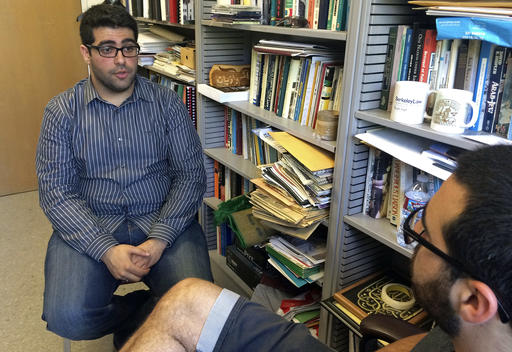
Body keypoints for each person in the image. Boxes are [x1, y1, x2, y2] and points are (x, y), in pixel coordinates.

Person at [120, 145, 512, 352]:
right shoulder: (482, 328)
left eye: (423, 235)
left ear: (475, 302)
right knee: (186, 299)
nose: (412, 239)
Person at [36, 3, 212, 349]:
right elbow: (56, 193)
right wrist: (105, 249)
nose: (121, 60)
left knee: (200, 312)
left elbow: (190, 175)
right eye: (107, 49)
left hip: (162, 219)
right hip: (93, 221)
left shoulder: (167, 103)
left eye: (129, 48)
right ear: (86, 52)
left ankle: (152, 316)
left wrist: (160, 238)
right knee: (67, 316)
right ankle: (141, 313)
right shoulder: (61, 112)